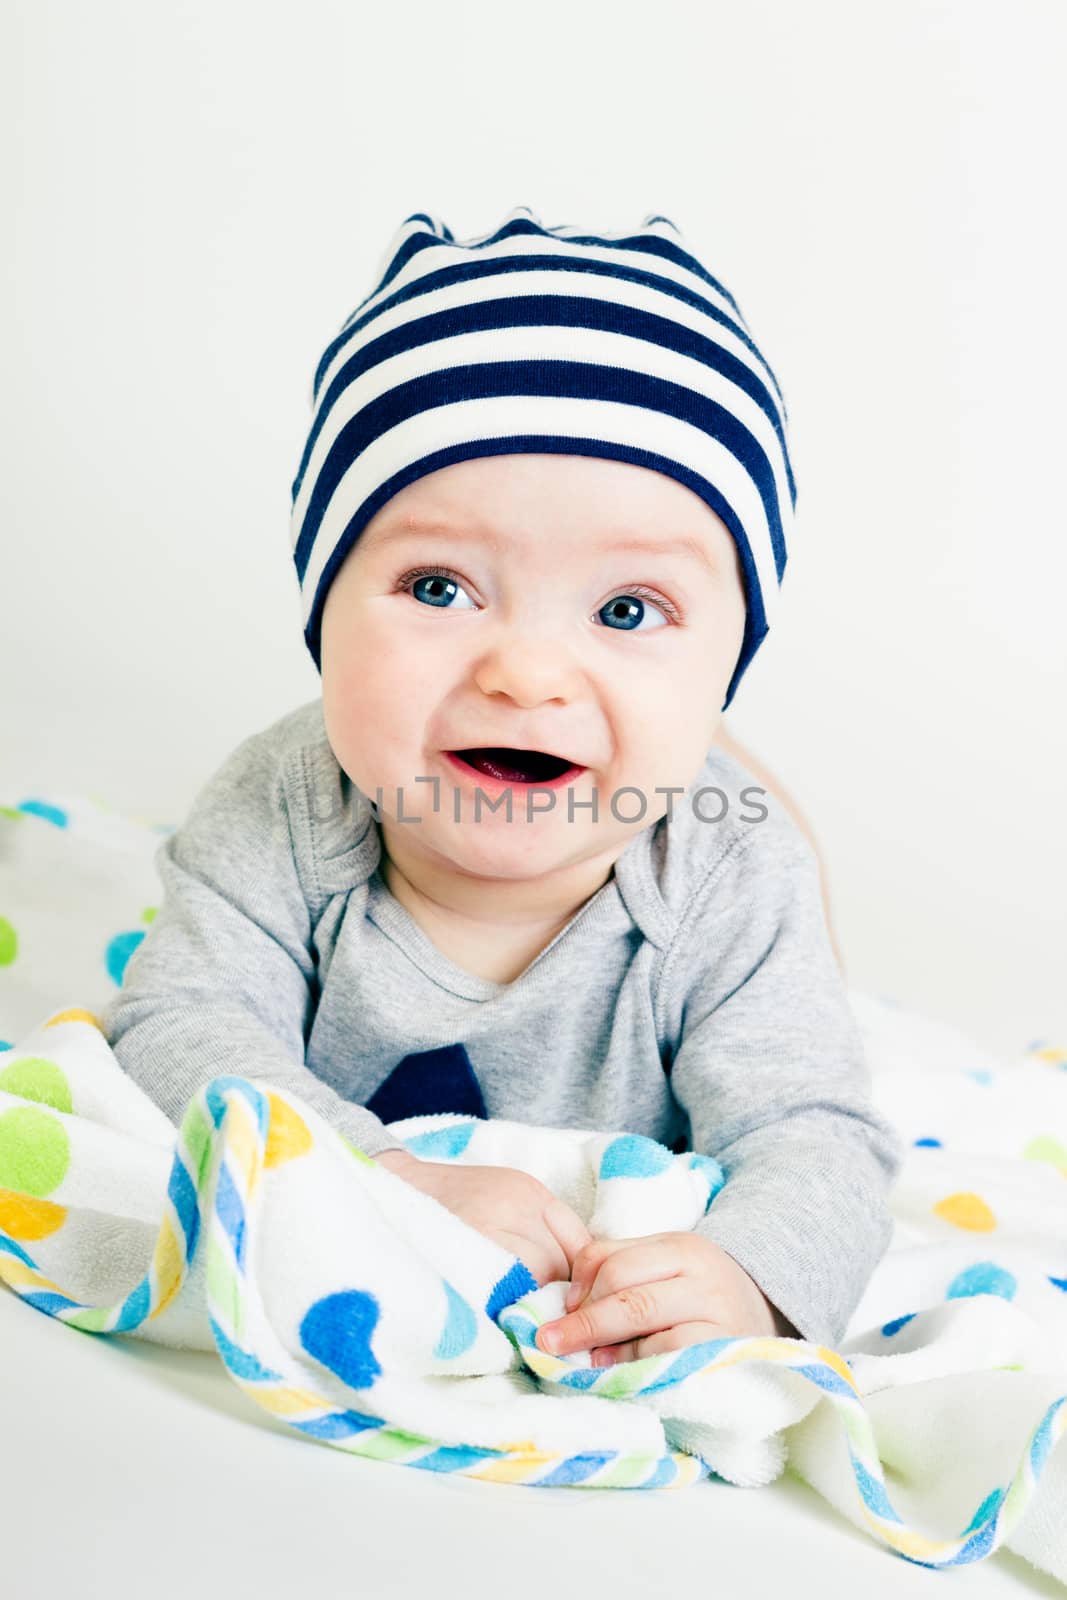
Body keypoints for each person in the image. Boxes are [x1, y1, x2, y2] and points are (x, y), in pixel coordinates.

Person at [102, 208, 900, 1366]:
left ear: (728, 662)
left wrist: (748, 1273)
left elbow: (815, 1134)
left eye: (626, 611)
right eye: (437, 586)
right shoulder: (285, 800)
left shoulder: (726, 868)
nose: (523, 672)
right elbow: (181, 1022)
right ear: (321, 607)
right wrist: (369, 1173)